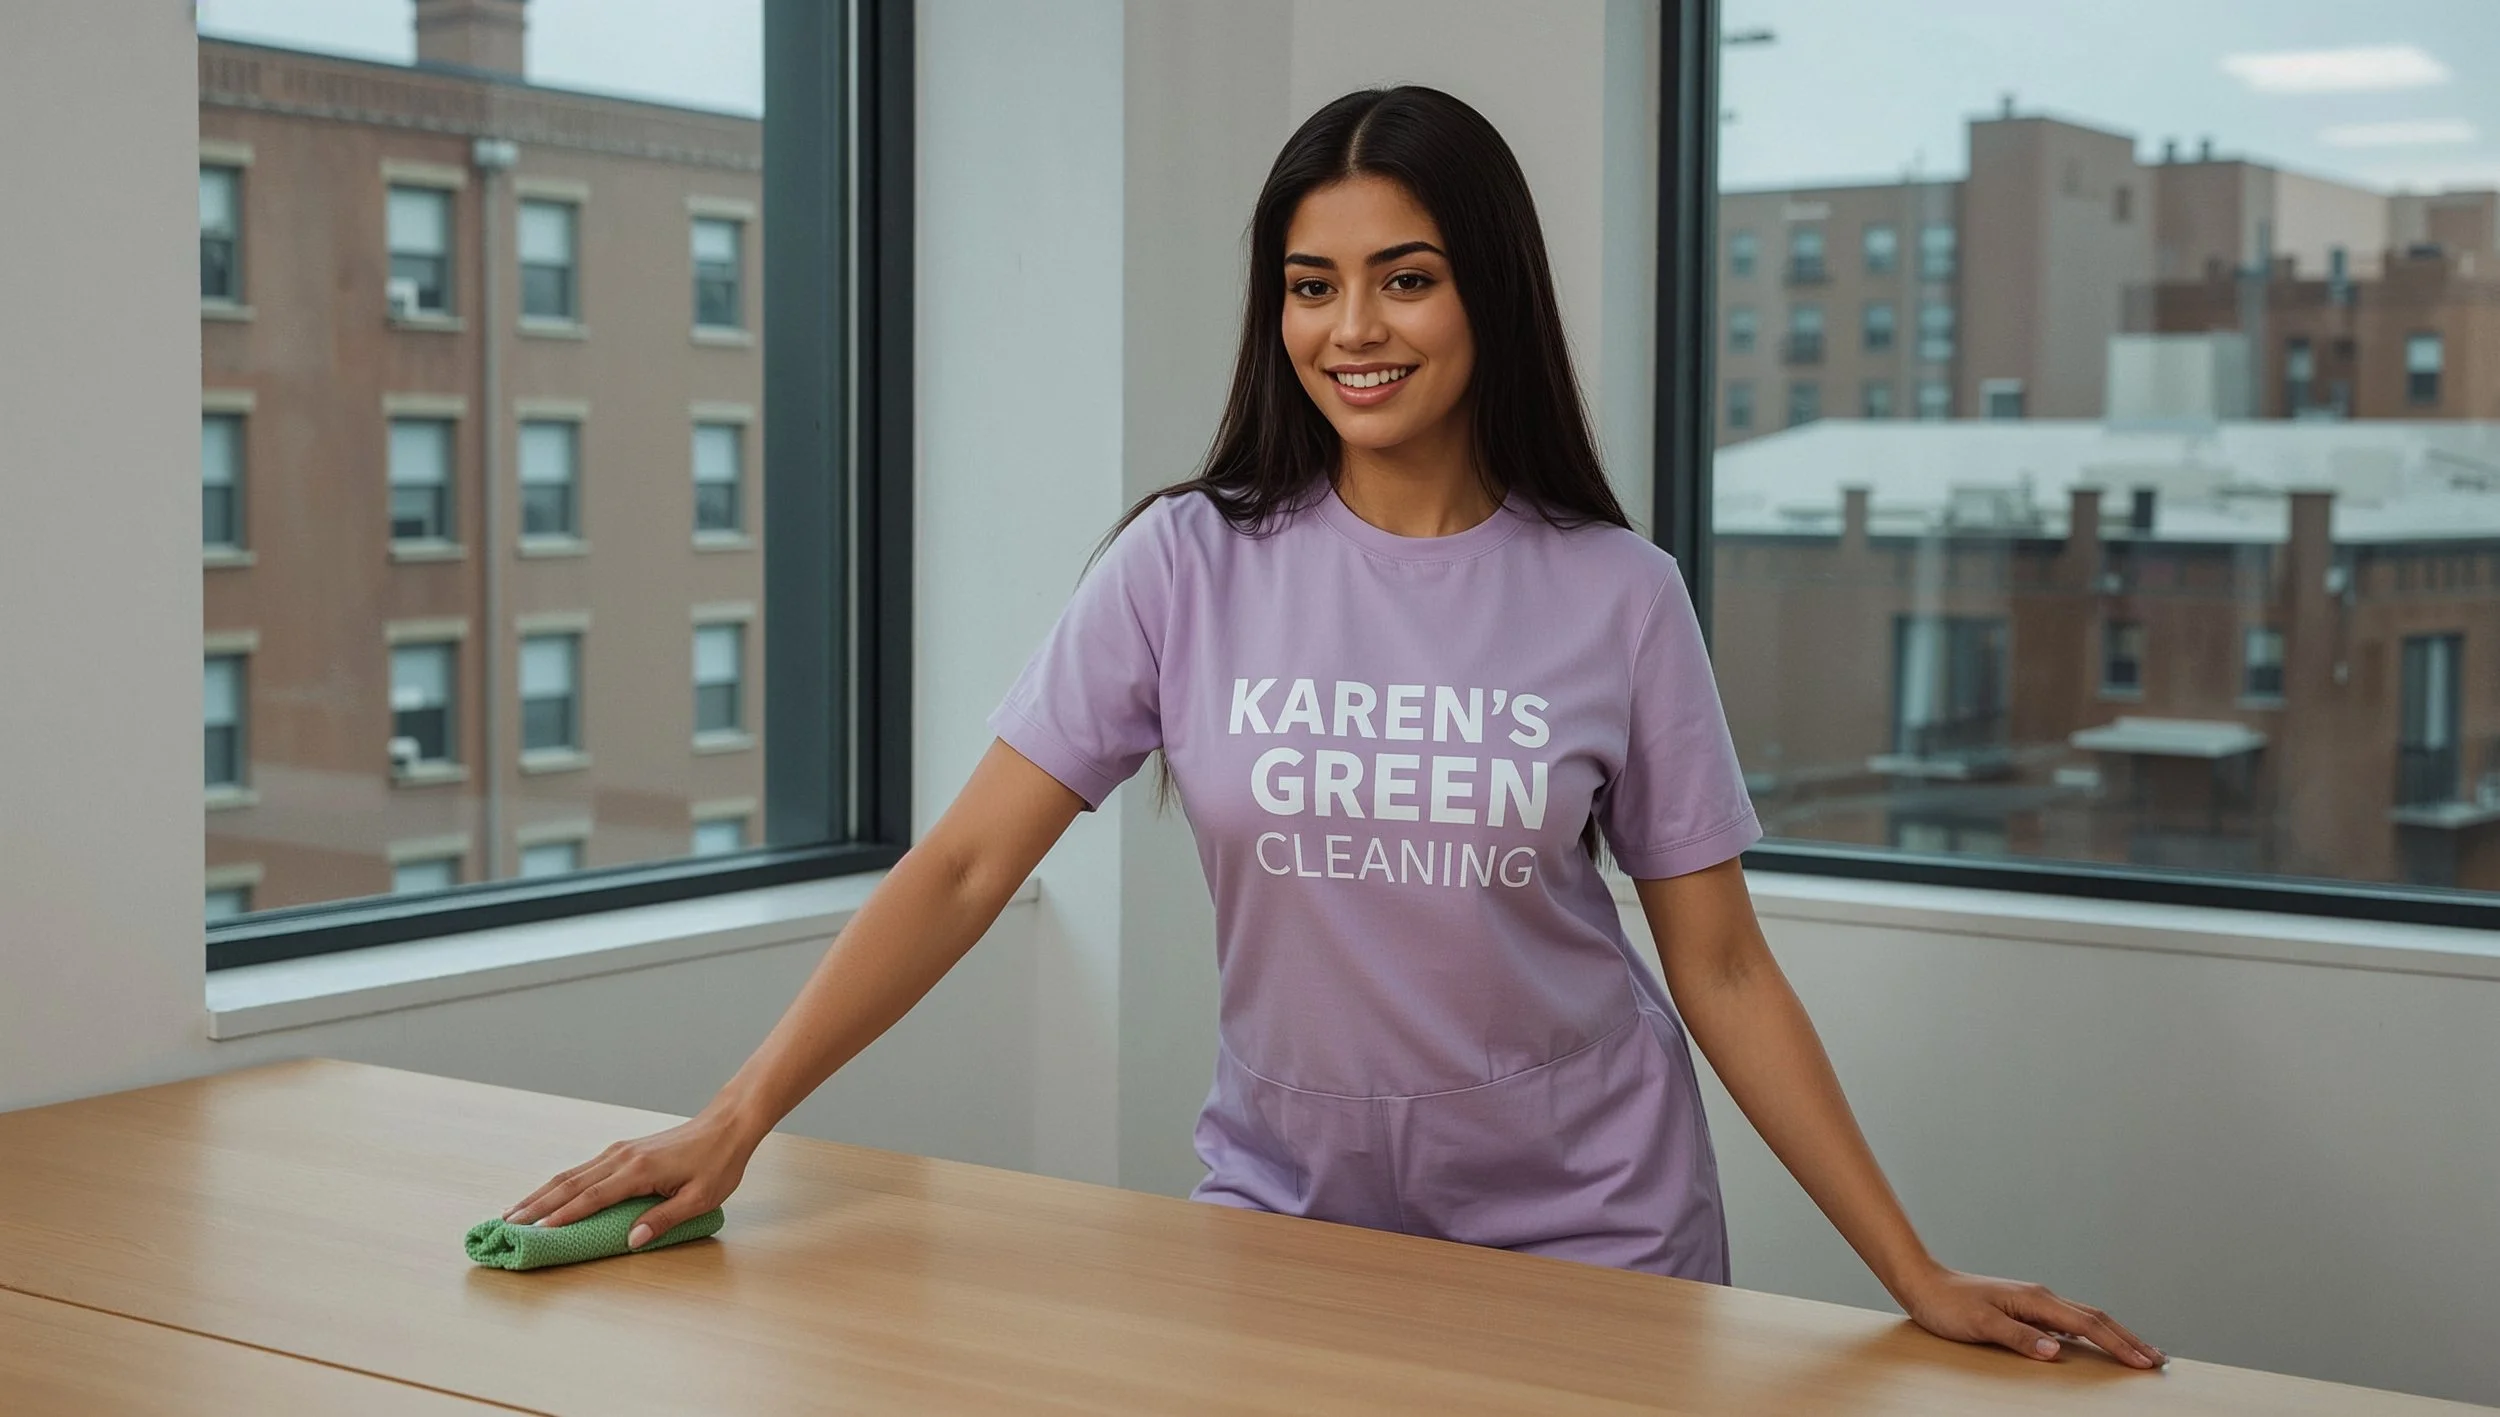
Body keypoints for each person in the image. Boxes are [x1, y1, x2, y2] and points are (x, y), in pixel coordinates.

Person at [504, 84, 2163, 1371]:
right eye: (1313, 285)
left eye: (1405, 279)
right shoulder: (1186, 564)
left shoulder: (1617, 594)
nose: (1352, 330)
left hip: (1590, 1226)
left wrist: (1911, 1273)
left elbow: (1717, 965)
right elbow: (957, 869)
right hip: (1285, 1218)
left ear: (1485, 293)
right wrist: (735, 1119)